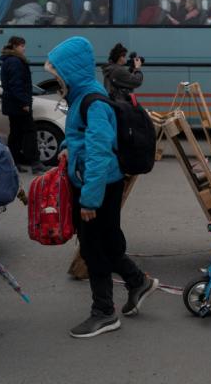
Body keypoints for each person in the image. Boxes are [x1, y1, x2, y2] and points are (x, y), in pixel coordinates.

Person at [44, 36, 159, 338]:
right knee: (107, 243)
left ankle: (104, 313)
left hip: (99, 188)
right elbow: (83, 137)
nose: (56, 81)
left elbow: (99, 153)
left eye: (58, 76)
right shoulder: (83, 97)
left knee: (94, 250)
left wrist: (89, 201)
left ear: (71, 72)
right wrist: (68, 146)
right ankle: (137, 282)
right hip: (99, 184)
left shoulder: (92, 102)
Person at [0, 36, 46, 174]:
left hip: (12, 105)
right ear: (14, 46)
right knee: (29, 132)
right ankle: (35, 164)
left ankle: (14, 162)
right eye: (21, 45)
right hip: (19, 105)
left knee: (16, 134)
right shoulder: (15, 62)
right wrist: (24, 103)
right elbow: (16, 85)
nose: (24, 48)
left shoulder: (8, 60)